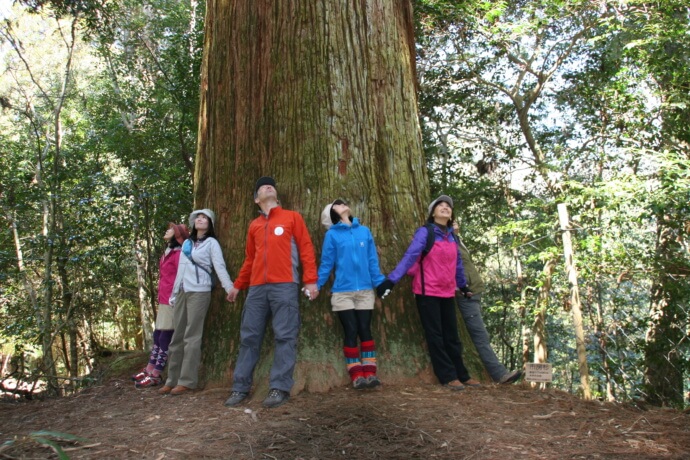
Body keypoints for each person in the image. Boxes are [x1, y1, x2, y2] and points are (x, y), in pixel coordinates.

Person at [224, 177, 319, 408]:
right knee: (249, 337)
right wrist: (238, 284)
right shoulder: (254, 225)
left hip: (285, 285)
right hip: (256, 288)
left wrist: (311, 280)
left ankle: (279, 388)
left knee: (285, 336)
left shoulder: (292, 218)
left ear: (277, 195)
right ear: (257, 199)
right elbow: (250, 258)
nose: (268, 186)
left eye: (271, 185)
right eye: (262, 187)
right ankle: (240, 387)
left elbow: (306, 248)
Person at [376, 195, 480, 391]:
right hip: (427, 292)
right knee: (435, 336)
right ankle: (448, 376)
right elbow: (410, 256)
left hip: (448, 292)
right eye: (440, 205)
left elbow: (457, 264)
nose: (445, 207)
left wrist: (463, 286)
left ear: (451, 215)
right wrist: (391, 280)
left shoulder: (452, 237)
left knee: (452, 336)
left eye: (448, 206)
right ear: (432, 213)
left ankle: (462, 374)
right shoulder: (426, 233)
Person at [158, 209, 235, 396]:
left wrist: (229, 288)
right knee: (177, 337)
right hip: (183, 292)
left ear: (210, 224)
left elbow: (219, 266)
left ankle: (186, 381)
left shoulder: (211, 243)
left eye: (205, 218)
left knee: (192, 336)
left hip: (199, 292)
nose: (200, 220)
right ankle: (171, 379)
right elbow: (181, 270)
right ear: (193, 223)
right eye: (197, 218)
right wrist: (175, 292)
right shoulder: (187, 244)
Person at [316, 199, 386, 390]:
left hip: (365, 290)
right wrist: (317, 285)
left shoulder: (364, 231)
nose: (343, 204)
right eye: (337, 205)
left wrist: (380, 283)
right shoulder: (331, 235)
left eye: (342, 203)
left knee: (365, 329)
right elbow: (326, 263)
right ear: (332, 214)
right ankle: (356, 375)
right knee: (351, 330)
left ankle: (370, 373)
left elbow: (372, 260)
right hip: (342, 292)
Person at [452, 221, 522, 384]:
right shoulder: (448, 240)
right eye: (451, 219)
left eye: (455, 218)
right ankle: (499, 374)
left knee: (480, 334)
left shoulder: (457, 239)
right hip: (465, 294)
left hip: (474, 291)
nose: (455, 221)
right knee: (480, 335)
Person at [132, 223, 190, 388]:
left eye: (171, 229)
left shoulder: (178, 254)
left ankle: (156, 373)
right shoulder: (168, 253)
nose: (167, 230)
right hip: (164, 298)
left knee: (165, 335)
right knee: (158, 334)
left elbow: (182, 275)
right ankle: (150, 368)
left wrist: (177, 296)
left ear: (177, 235)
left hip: (173, 298)